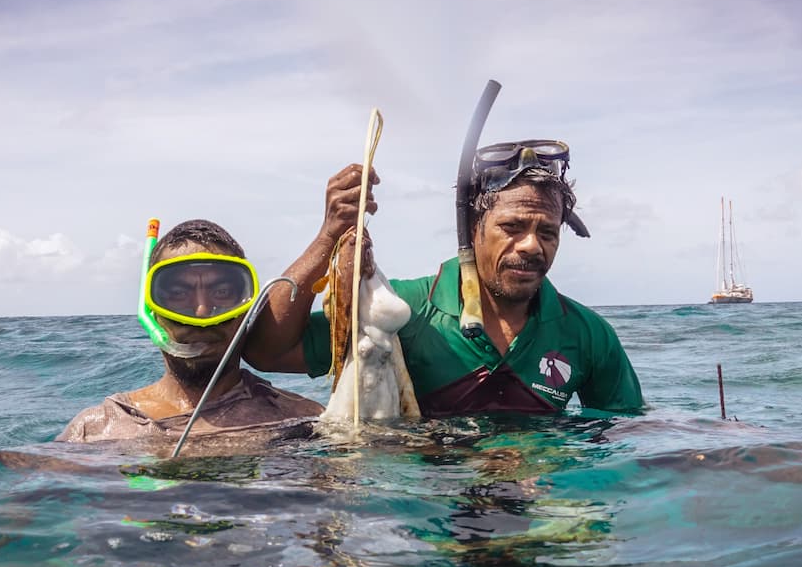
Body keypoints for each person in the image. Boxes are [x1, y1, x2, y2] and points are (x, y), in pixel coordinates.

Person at [246, 140, 643, 416]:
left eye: (547, 232)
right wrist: (329, 236)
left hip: (540, 506)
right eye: (512, 226)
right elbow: (268, 351)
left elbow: (626, 435)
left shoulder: (587, 334)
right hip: (433, 514)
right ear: (473, 228)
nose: (531, 246)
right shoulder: (404, 312)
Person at [57, 219, 324, 446]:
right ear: (153, 312)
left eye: (222, 293)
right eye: (177, 294)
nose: (201, 312)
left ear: (246, 308)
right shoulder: (96, 429)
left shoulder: (303, 419)